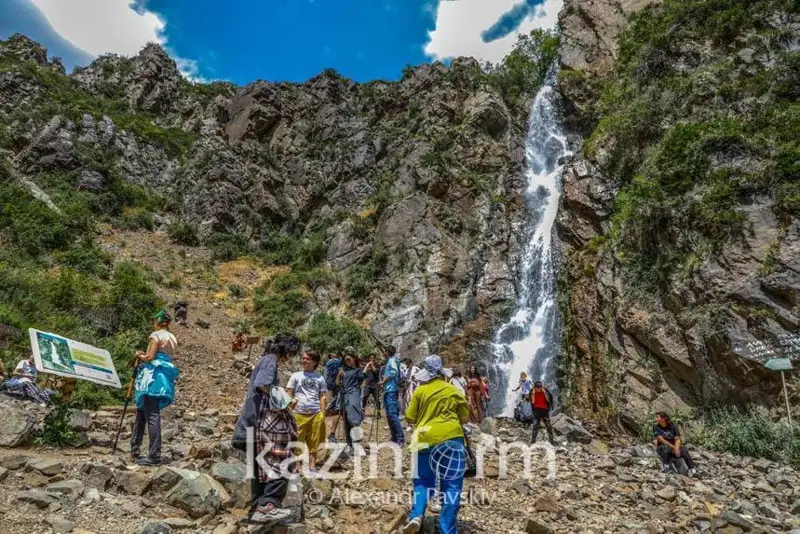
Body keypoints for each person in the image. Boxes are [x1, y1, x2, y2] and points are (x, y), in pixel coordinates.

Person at [233, 333, 301, 526]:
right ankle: (268, 504)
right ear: (286, 349)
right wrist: (285, 399)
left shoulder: (264, 359)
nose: (290, 356)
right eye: (290, 352)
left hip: (251, 422)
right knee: (282, 461)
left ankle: (257, 508)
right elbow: (263, 385)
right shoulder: (270, 360)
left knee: (258, 467)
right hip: (264, 422)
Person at [402, 355, 470, 534]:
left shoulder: (420, 391)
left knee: (422, 482)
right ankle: (447, 528)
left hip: (424, 439)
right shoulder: (453, 390)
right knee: (452, 485)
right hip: (451, 440)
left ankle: (416, 515)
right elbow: (465, 417)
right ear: (441, 373)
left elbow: (409, 417)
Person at [131, 309, 180, 466]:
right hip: (164, 377)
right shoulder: (172, 338)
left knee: (149, 413)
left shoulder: (155, 335)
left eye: (154, 321)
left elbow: (150, 357)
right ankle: (137, 447)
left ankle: (153, 454)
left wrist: (139, 355)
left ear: (158, 322)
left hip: (152, 377)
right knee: (145, 411)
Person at [287, 350, 327, 473]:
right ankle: (293, 468)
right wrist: (289, 410)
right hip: (298, 413)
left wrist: (323, 414)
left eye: (307, 359)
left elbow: (322, 396)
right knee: (295, 442)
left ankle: (312, 468)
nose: (304, 361)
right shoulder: (296, 375)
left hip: (315, 413)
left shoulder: (319, 377)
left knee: (314, 442)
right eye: (303, 358)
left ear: (314, 362)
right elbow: (289, 393)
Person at [338, 353, 366, 456]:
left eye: (349, 359)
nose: (347, 362)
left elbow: (362, 381)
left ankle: (358, 445)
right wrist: (339, 375)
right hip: (343, 395)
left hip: (353, 394)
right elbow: (337, 383)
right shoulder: (344, 371)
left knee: (354, 419)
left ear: (354, 359)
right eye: (345, 360)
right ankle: (349, 444)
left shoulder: (358, 371)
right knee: (346, 420)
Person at [379, 345, 405, 446]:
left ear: (387, 352)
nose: (383, 353)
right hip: (388, 390)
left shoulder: (392, 361)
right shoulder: (389, 361)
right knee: (389, 415)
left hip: (391, 391)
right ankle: (394, 437)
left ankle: (400, 438)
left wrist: (383, 381)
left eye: (384, 351)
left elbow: (393, 373)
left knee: (393, 415)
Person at [324, 352, 344, 441]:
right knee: (335, 399)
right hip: (335, 383)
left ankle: (329, 409)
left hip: (331, 383)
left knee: (335, 398)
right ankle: (328, 410)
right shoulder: (334, 361)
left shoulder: (329, 362)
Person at [530, 381, 555, 445]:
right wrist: (533, 393)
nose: (538, 389)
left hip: (544, 410)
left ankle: (552, 441)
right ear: (535, 387)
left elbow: (548, 400)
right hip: (536, 410)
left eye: (540, 387)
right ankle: (533, 441)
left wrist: (544, 392)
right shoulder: (532, 391)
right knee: (535, 426)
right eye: (537, 388)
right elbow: (532, 402)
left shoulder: (545, 391)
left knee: (548, 426)